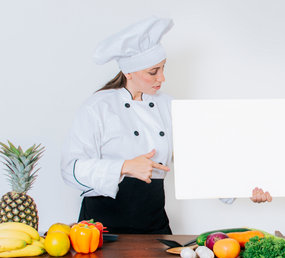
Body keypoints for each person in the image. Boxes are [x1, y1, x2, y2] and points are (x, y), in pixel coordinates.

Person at [61, 17, 271, 234]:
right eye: (153, 72)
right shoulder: (97, 107)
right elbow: (70, 169)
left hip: (152, 221)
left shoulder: (168, 105)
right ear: (129, 72)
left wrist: (247, 187)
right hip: (100, 225)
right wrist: (125, 166)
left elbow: (199, 159)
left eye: (162, 68)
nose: (162, 78)